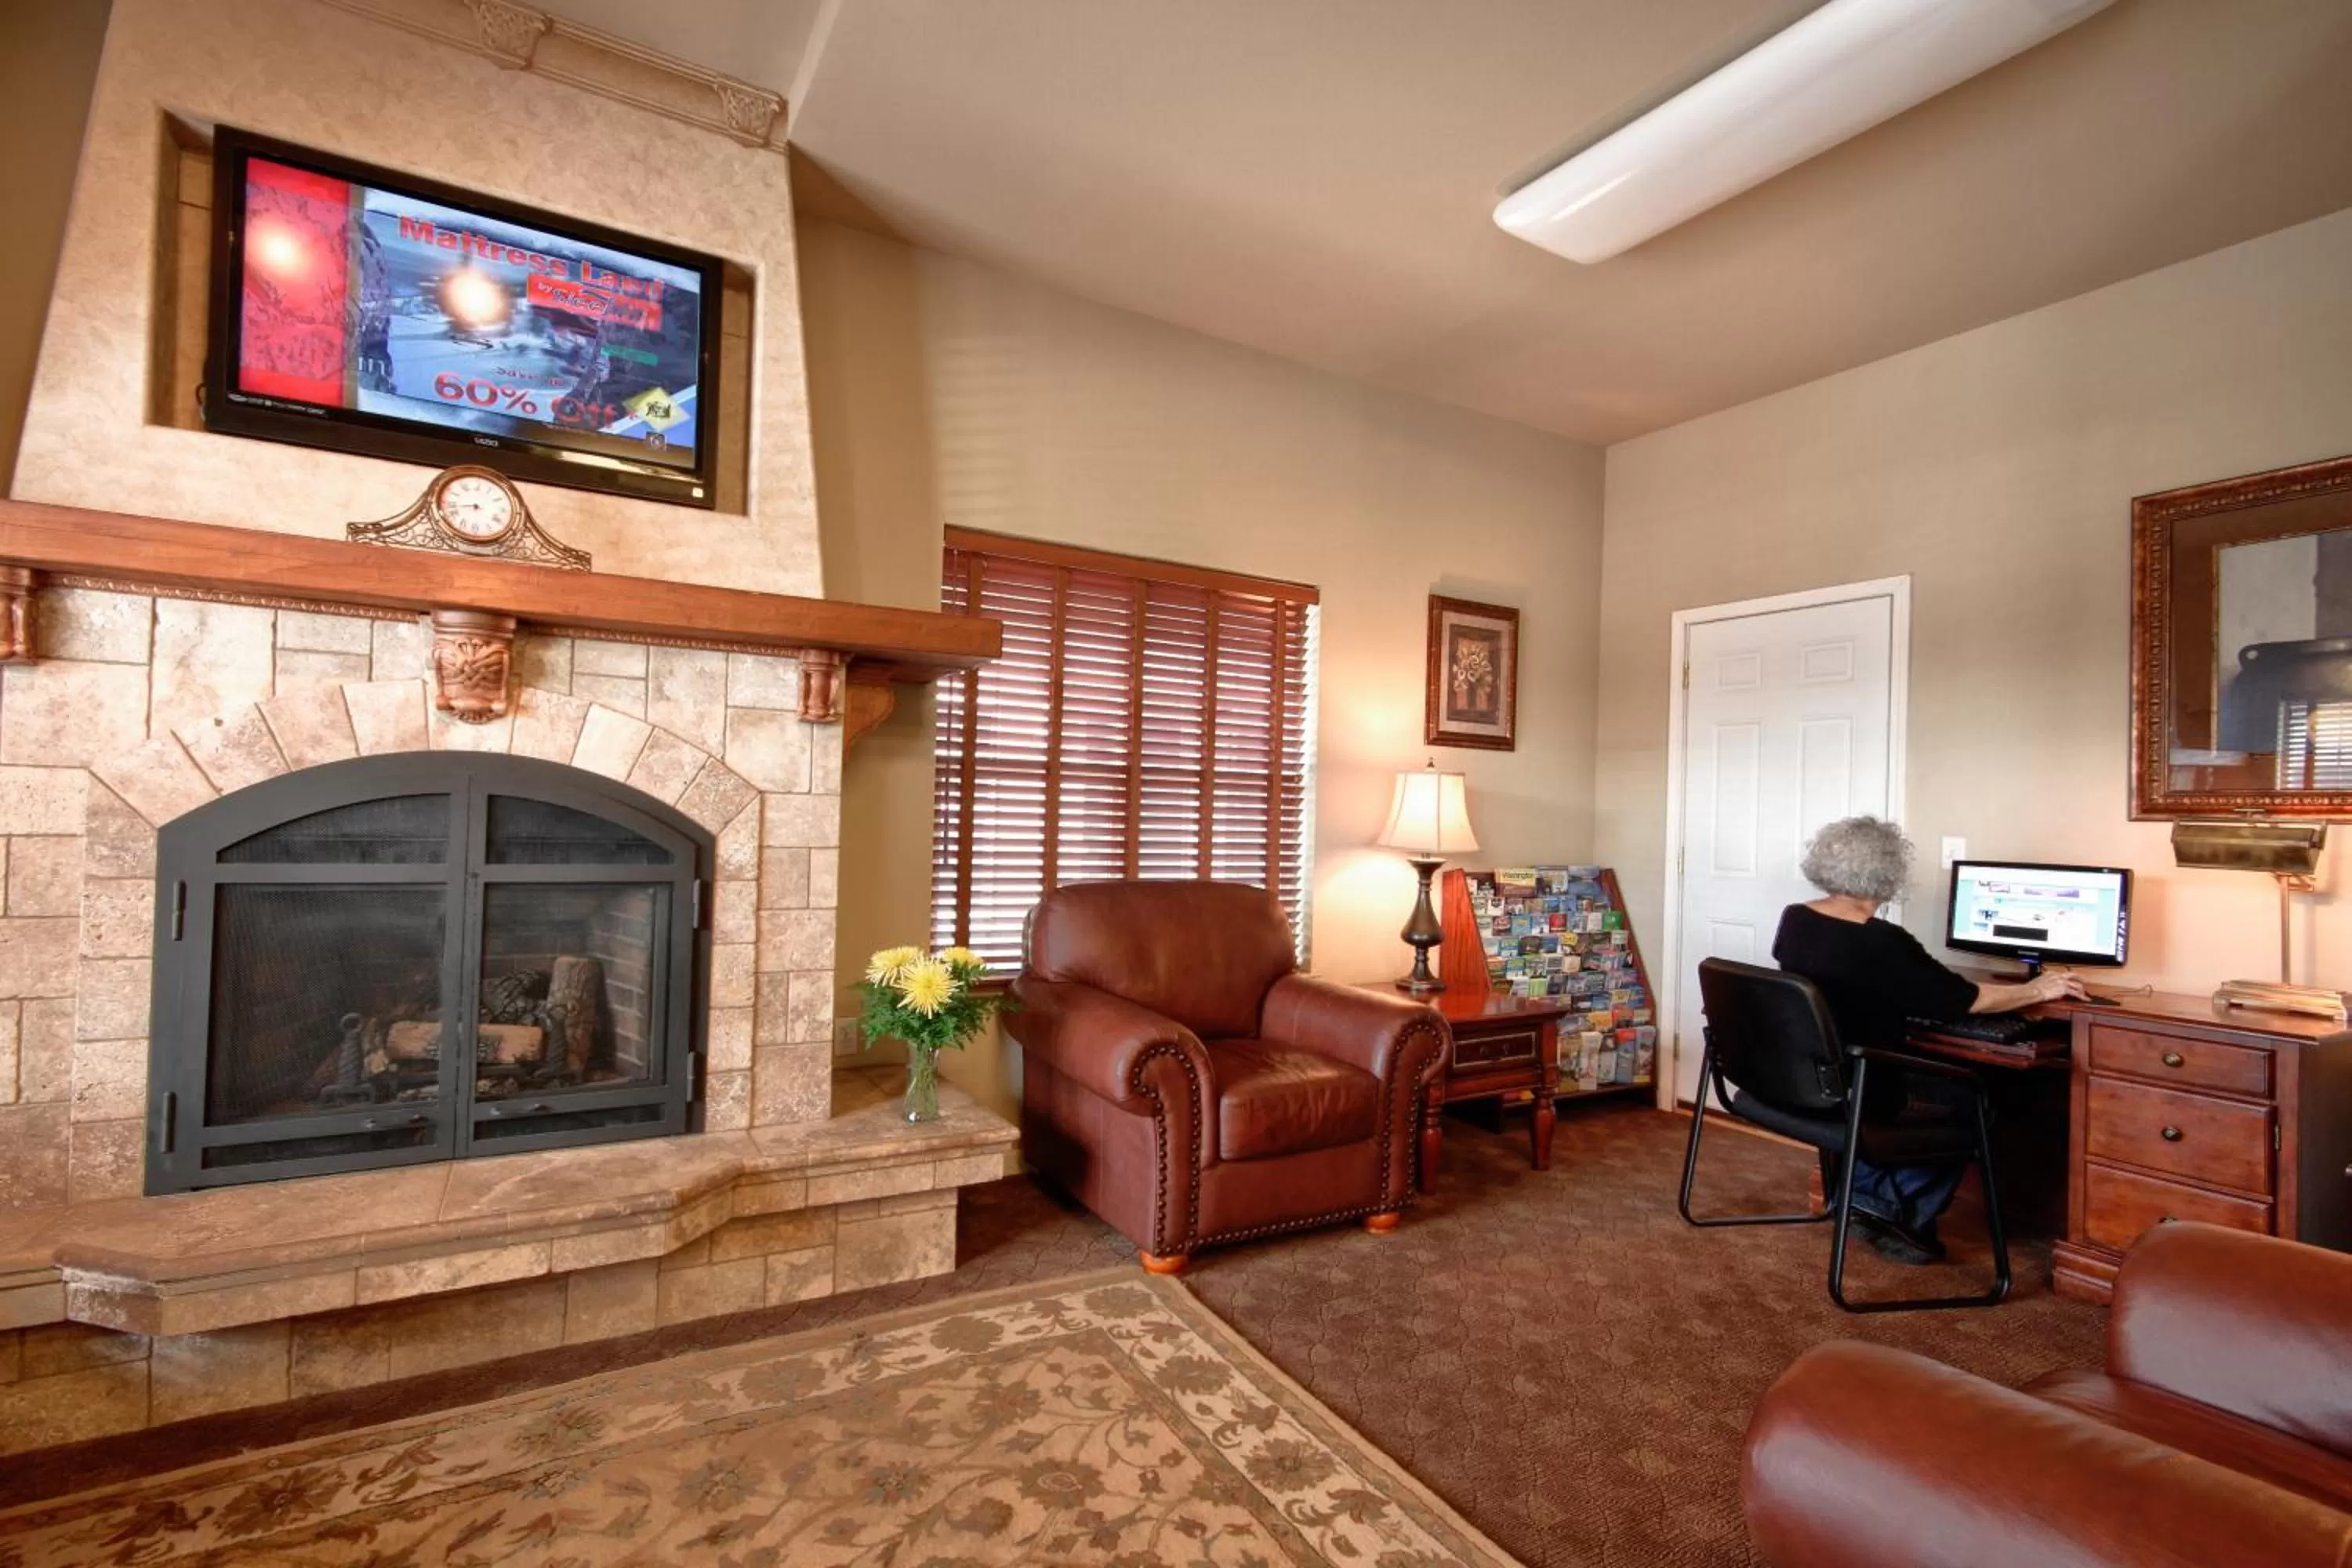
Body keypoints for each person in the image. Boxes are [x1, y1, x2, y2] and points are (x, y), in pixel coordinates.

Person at [1772, 816, 2084, 1265]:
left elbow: (1884, 984)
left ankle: (1866, 1197)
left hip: (1816, 1080)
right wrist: (2038, 990)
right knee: (1979, 1097)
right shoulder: (1883, 941)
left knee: (1943, 1089)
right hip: (1865, 1083)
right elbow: (1967, 1000)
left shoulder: (1797, 919)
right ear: (1889, 873)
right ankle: (1892, 1208)